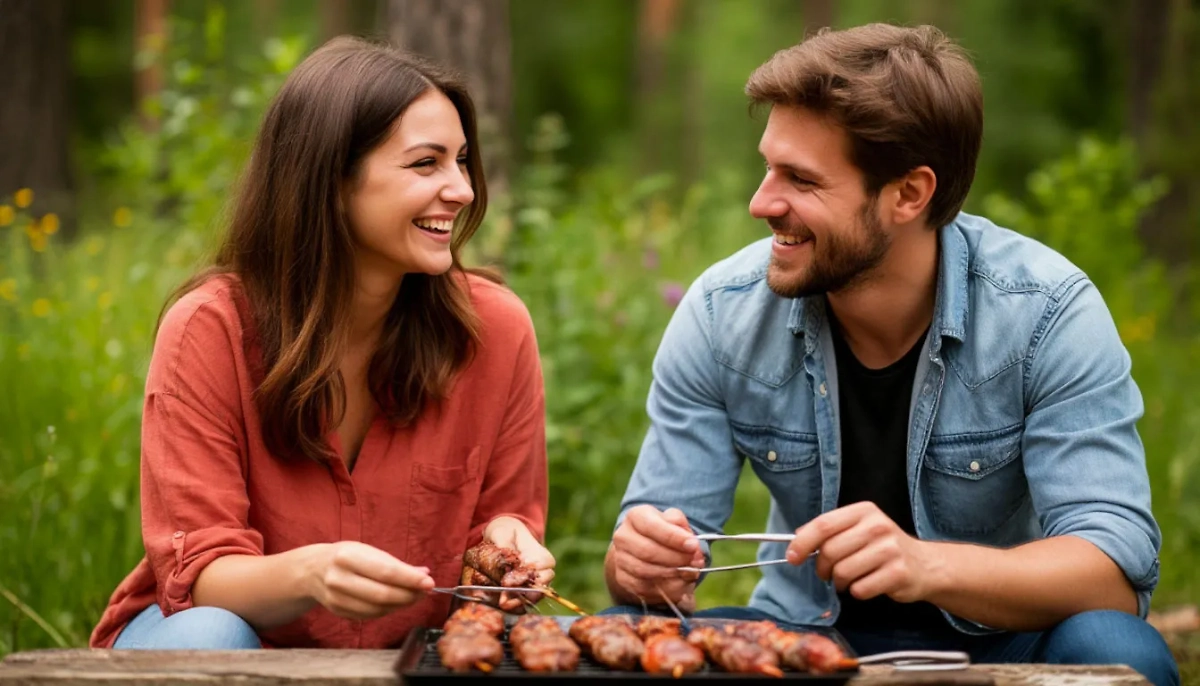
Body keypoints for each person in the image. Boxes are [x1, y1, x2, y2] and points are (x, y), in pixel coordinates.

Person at [603, 23, 1178, 686]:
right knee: (621, 633)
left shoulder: (1047, 314)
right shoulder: (720, 313)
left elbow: (1115, 568)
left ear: (909, 194)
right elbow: (643, 578)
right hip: (801, 636)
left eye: (802, 180)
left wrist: (924, 564)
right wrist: (640, 562)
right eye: (769, 167)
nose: (762, 203)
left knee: (1118, 647)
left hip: (1006, 641)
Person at [89, 36, 552, 650]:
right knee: (213, 634)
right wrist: (310, 574)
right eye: (425, 163)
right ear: (331, 180)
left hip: (412, 654)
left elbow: (504, 523)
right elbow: (201, 578)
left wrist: (508, 541)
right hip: (218, 641)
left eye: (461, 161)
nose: (462, 190)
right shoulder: (210, 329)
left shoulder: (495, 330)